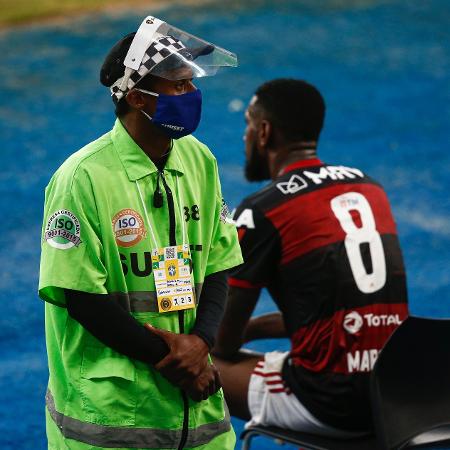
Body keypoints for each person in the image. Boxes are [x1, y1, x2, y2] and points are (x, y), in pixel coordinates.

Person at [39, 15, 242, 450]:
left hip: (198, 416)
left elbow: (219, 265)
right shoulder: (82, 178)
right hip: (111, 420)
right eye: (179, 86)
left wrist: (202, 343)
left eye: (192, 84)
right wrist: (179, 360)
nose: (193, 96)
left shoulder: (199, 161)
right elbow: (81, 298)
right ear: (137, 97)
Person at [212, 78, 408, 436]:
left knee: (195, 363)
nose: (245, 136)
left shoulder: (262, 210)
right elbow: (340, 308)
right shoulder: (369, 186)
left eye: (248, 124)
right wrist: (255, 329)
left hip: (332, 402)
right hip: (397, 392)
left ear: (265, 132)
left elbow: (223, 339)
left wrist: (237, 332)